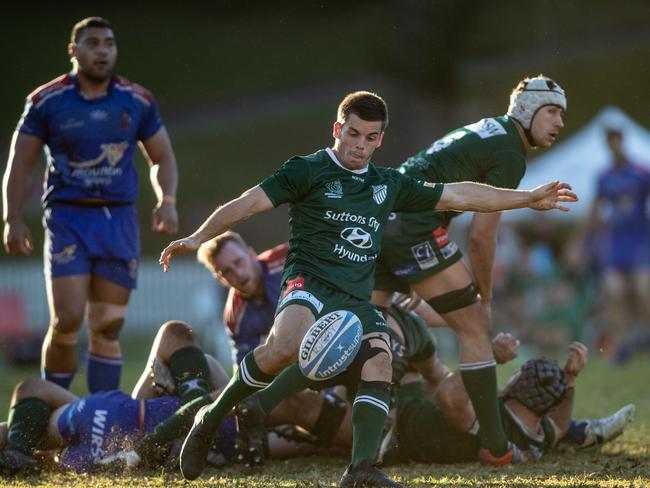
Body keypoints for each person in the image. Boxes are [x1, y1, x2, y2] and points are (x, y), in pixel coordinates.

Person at [160, 90, 576, 487]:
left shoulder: (387, 184)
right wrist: (198, 237)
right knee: (284, 346)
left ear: (380, 140)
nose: (359, 144)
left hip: (354, 300)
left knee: (380, 359)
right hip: (309, 284)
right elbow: (248, 203)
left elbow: (459, 194)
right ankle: (210, 418)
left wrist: (526, 198)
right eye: (353, 133)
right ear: (337, 129)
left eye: (370, 137)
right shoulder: (306, 170)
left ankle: (360, 470)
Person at [371, 75, 567, 464]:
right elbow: (481, 236)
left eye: (562, 114)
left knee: (367, 318)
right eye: (552, 111)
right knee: (475, 326)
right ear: (526, 111)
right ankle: (497, 448)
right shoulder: (511, 151)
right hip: (412, 224)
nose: (559, 122)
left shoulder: (490, 129)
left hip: (385, 216)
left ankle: (261, 404)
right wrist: (486, 296)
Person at [1, 17, 179, 393]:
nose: (102, 50)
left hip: (119, 221)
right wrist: (12, 218)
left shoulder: (137, 100)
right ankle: (53, 409)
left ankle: (100, 421)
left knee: (107, 327)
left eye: (109, 44)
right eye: (93, 43)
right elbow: (21, 161)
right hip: (69, 218)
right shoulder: (45, 101)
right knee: (66, 321)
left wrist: (167, 200)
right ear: (74, 50)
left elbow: (161, 156)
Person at [0, 320, 215, 475]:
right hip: (126, 422)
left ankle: (17, 453)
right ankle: (17, 453)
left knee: (28, 395)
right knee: (179, 337)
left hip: (125, 423)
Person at [379, 341, 636, 465]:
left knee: (402, 351)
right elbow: (560, 423)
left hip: (400, 421)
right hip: (415, 410)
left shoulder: (491, 420)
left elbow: (449, 396)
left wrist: (486, 354)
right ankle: (585, 432)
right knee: (424, 360)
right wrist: (570, 378)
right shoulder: (539, 435)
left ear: (516, 384)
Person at [588, 127, 650, 364]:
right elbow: (595, 209)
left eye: (616, 141)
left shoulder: (641, 172)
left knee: (642, 292)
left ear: (622, 141)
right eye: (609, 142)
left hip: (639, 240)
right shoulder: (603, 177)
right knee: (615, 293)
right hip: (614, 242)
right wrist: (581, 241)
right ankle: (623, 345)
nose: (613, 146)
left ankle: (644, 333)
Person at [197, 231, 287, 365]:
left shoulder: (289, 259)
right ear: (221, 280)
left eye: (238, 262)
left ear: (251, 254)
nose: (238, 274)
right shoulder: (235, 318)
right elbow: (245, 373)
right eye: (227, 271)